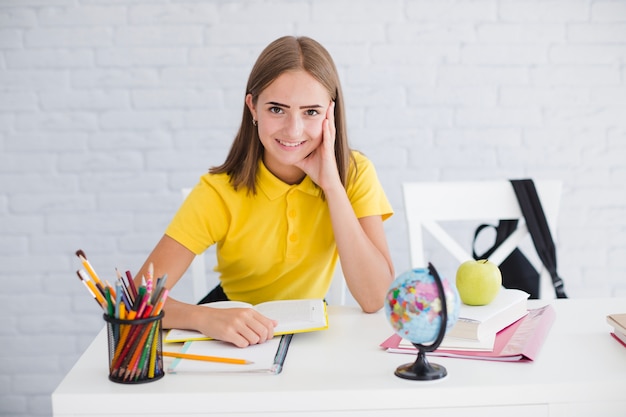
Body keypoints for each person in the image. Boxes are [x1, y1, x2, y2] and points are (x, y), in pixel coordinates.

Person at [134, 36, 394, 348]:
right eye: (277, 109)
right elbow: (137, 298)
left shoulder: (355, 174)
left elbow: (375, 298)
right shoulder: (219, 191)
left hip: (309, 332)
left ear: (331, 114)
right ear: (253, 107)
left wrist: (332, 187)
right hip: (230, 330)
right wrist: (204, 317)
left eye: (311, 112)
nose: (293, 130)